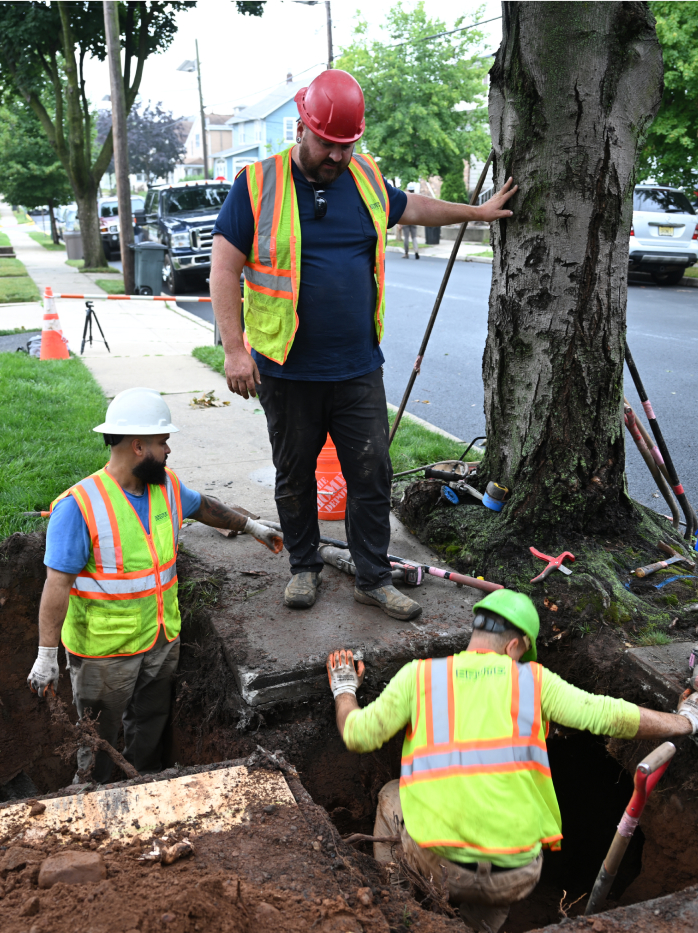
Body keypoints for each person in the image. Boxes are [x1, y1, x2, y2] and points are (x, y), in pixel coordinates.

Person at [210, 69, 517, 622]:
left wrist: (476, 213)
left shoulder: (365, 178)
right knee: (295, 475)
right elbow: (224, 268)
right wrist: (235, 350)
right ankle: (304, 566)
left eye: (347, 145)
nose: (336, 155)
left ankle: (372, 578)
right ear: (303, 126)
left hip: (356, 368)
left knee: (372, 475)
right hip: (287, 369)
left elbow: (413, 208)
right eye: (328, 142)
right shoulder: (257, 184)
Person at [325, 589, 698, 933]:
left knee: (391, 794)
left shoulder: (420, 676)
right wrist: (688, 721)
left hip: (438, 865)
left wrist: (344, 689)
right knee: (484, 921)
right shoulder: (534, 680)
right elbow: (609, 715)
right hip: (515, 875)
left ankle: (397, 904)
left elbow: (357, 735)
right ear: (516, 646)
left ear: (476, 631)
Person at [26, 388, 283, 782]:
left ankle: (142, 781)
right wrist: (46, 655)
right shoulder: (79, 507)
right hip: (105, 654)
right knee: (99, 737)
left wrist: (251, 527)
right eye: (163, 442)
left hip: (160, 639)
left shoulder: (167, 486)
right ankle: (93, 791)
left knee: (149, 722)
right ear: (139, 446)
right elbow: (57, 585)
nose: (168, 451)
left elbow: (203, 506)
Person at [400, 185, 420, 259]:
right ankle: (416, 251)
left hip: (406, 220)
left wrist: (400, 223)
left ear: (408, 190)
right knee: (414, 237)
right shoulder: (416, 199)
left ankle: (406, 253)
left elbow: (402, 210)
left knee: (406, 237)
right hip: (414, 220)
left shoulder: (405, 198)